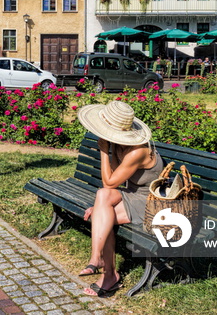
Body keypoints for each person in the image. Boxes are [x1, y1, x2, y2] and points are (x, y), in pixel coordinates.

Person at [76, 101, 164, 297]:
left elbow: (109, 182)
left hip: (149, 202)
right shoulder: (119, 144)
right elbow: (112, 183)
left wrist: (102, 151)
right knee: (102, 198)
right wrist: (99, 207)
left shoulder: (138, 151)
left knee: (103, 214)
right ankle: (102, 265)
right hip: (131, 193)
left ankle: (106, 271)